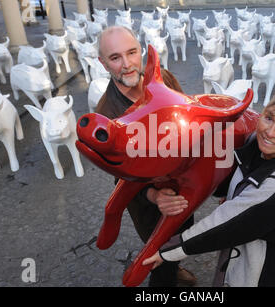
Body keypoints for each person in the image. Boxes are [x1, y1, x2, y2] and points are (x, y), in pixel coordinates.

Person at [143, 89, 275, 287]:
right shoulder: (255, 145)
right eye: (268, 118)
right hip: (239, 250)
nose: (270, 132)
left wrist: (167, 251)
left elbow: (224, 224)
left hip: (256, 268)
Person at [94, 26, 196, 287]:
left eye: (132, 53)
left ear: (141, 51)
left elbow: (187, 118)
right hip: (150, 206)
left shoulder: (165, 79)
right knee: (157, 257)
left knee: (180, 238)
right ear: (102, 62)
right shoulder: (107, 114)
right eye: (115, 57)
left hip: (183, 187)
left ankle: (175, 265)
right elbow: (119, 178)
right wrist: (154, 196)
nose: (127, 65)